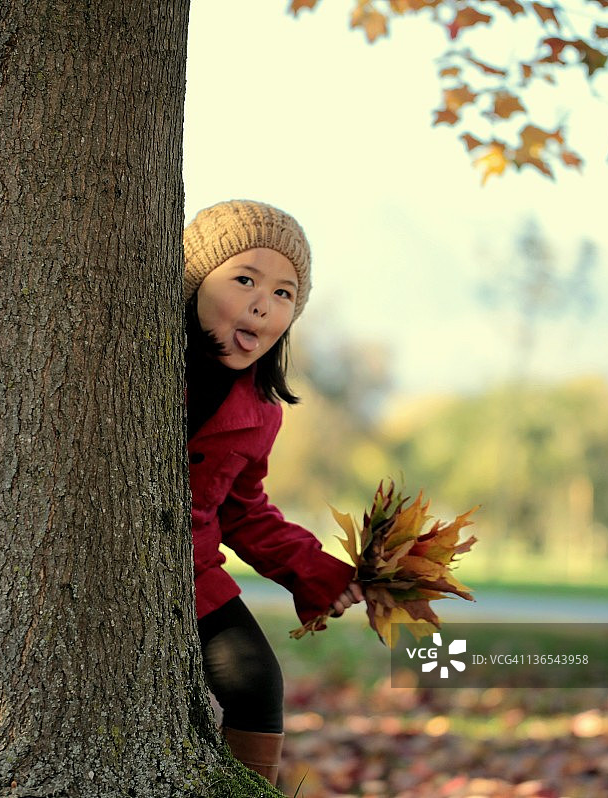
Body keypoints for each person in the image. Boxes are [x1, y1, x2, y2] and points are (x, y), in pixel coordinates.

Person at [184, 199, 364, 788]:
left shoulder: (259, 411)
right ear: (194, 281)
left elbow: (244, 512)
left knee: (256, 681)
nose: (263, 303)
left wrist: (320, 574)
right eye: (245, 280)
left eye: (284, 293)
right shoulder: (137, 365)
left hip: (189, 574)